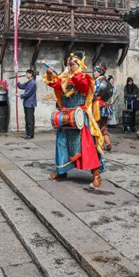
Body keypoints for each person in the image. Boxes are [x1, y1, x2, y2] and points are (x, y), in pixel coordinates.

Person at [44, 53, 105, 188]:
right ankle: (62, 171)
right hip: (67, 114)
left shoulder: (84, 77)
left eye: (73, 64)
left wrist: (73, 73)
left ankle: (96, 175)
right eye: (69, 64)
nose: (70, 66)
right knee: (61, 143)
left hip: (80, 115)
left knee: (87, 145)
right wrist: (50, 74)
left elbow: (82, 86)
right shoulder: (65, 78)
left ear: (79, 65)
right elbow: (56, 84)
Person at [94, 64, 113, 151]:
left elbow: (94, 93)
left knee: (97, 125)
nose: (94, 73)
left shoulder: (97, 81)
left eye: (96, 71)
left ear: (100, 72)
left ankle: (100, 145)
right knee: (104, 126)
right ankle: (107, 142)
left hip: (97, 106)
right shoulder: (107, 81)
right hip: (104, 105)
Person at [17, 69, 37, 140]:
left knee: (30, 120)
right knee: (27, 119)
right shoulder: (29, 82)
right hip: (26, 103)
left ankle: (30, 134)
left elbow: (28, 93)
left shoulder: (32, 83)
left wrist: (20, 95)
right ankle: (28, 133)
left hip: (30, 104)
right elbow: (22, 86)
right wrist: (17, 82)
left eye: (27, 73)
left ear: (31, 74)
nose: (26, 75)